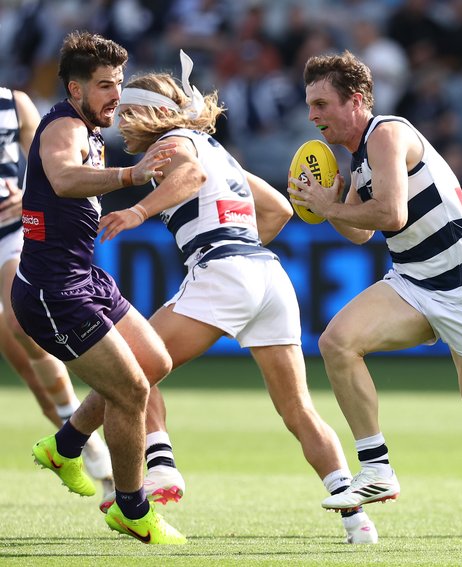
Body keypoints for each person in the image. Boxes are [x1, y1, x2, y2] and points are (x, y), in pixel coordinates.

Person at [95, 51, 378, 544]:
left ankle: (160, 467)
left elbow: (190, 177)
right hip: (267, 275)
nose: (120, 123)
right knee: (299, 409)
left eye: (127, 112)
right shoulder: (217, 149)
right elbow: (279, 210)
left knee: (129, 367)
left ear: (152, 113)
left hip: (224, 269)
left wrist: (138, 213)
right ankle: (357, 519)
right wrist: (240, 247)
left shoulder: (171, 143)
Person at [288, 50, 462, 552]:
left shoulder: (387, 134)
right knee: (337, 342)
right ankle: (376, 468)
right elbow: (361, 234)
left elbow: (390, 214)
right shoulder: (360, 158)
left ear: (357, 101)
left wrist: (329, 206)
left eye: (321, 104)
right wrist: (332, 206)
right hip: (413, 283)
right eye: (310, 105)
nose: (312, 115)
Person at [10, 31, 186, 544]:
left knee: (154, 362)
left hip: (84, 278)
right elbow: (64, 178)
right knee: (130, 390)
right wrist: (132, 176)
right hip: (52, 293)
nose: (116, 95)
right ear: (75, 89)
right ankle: (131, 509)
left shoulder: (90, 130)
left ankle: (64, 446)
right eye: (106, 85)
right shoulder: (64, 126)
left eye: (119, 83)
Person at [0, 86, 115, 500]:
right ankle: (83, 446)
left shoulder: (14, 103)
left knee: (22, 329)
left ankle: (95, 459)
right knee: (31, 376)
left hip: (10, 235)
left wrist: (24, 195)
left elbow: (45, 164)